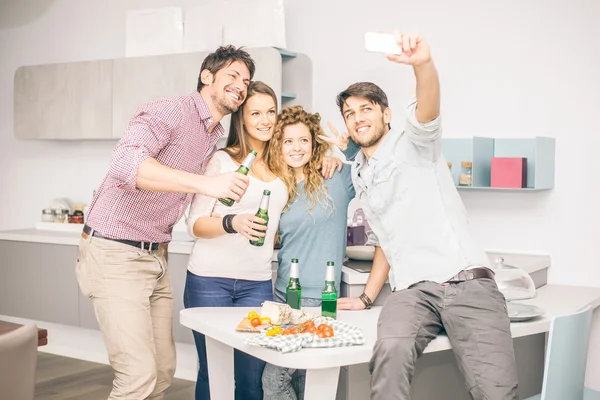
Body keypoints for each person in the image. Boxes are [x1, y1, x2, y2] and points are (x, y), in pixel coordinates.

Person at [322, 32, 519, 399]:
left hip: (467, 283)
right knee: (388, 357)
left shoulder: (414, 143)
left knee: (496, 392)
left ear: (387, 113)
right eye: (350, 113)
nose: (357, 118)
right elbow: (385, 239)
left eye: (366, 109)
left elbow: (428, 107)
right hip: (412, 292)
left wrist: (422, 65)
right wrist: (366, 297)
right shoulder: (359, 171)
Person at [75, 45, 255, 399]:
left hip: (156, 255)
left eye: (246, 81)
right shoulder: (170, 110)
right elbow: (126, 164)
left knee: (161, 371)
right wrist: (206, 183)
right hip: (115, 250)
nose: (241, 85)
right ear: (207, 76)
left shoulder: (212, 133)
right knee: (137, 376)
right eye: (233, 75)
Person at [184, 81, 289, 400]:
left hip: (256, 283)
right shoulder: (222, 162)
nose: (266, 119)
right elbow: (195, 224)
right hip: (209, 281)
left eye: (271, 111)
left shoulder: (282, 164)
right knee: (214, 372)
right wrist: (233, 223)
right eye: (256, 112)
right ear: (241, 119)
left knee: (251, 377)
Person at [262, 106, 356, 400]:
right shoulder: (278, 188)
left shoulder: (336, 177)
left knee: (306, 382)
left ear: (314, 144)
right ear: (278, 145)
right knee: (278, 378)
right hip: (284, 297)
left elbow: (375, 169)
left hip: (323, 299)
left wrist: (348, 150)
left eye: (303, 140)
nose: (296, 148)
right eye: (288, 141)